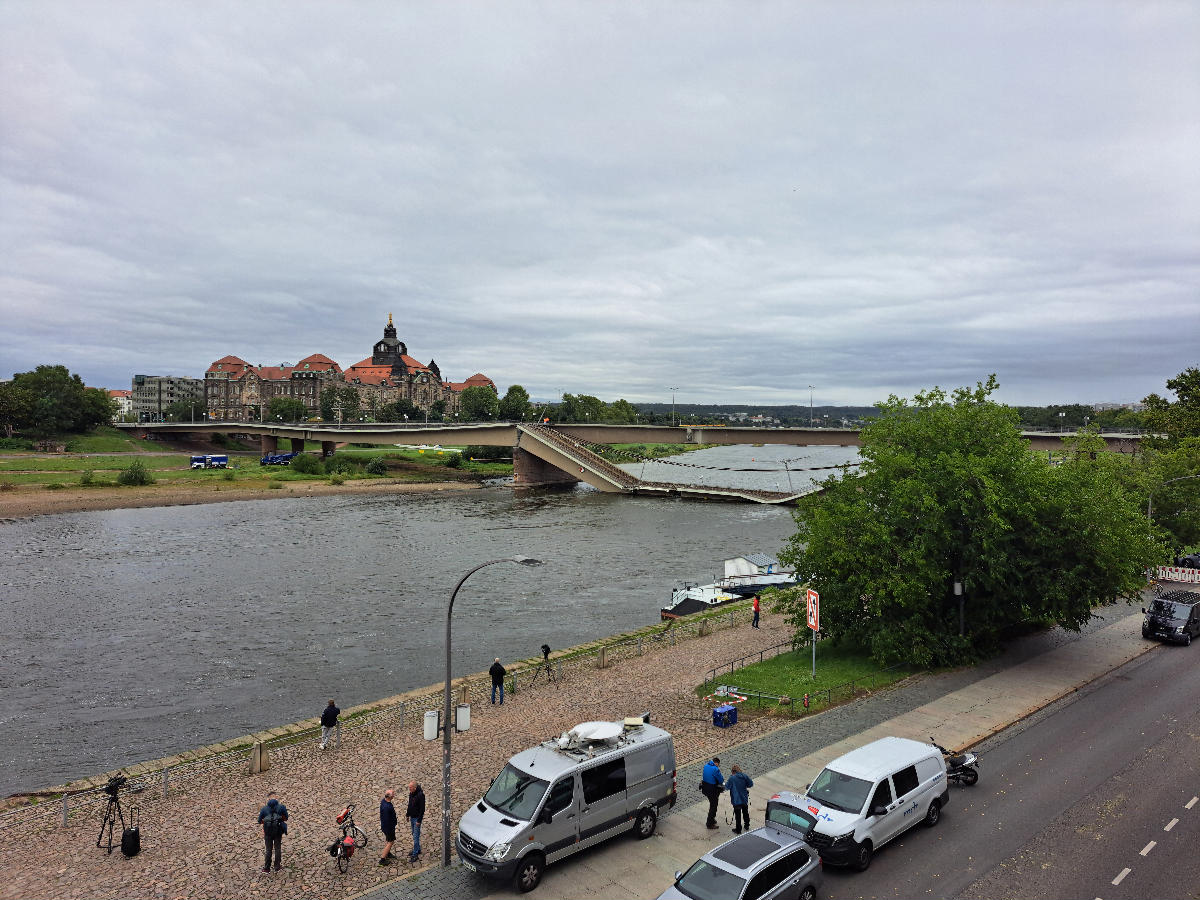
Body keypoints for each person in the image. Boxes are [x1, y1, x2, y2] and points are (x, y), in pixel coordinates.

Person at [257, 792, 288, 873]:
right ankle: (277, 867)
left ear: (268, 799)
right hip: (278, 830)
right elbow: (286, 818)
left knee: (268, 850)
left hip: (268, 832)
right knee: (277, 848)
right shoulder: (281, 807)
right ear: (276, 799)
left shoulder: (264, 809)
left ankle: (267, 868)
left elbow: (259, 821)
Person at [727, 765, 754, 833]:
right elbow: (750, 784)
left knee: (738, 815)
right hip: (744, 798)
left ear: (733, 771)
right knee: (745, 812)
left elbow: (727, 787)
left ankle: (738, 829)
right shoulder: (744, 776)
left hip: (736, 800)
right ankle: (747, 825)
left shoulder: (732, 778)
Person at [701, 757, 724, 829]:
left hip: (705, 788)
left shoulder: (706, 766)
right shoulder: (715, 769)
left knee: (712, 804)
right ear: (716, 763)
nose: (718, 766)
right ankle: (709, 823)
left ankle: (712, 819)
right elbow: (721, 779)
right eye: (718, 765)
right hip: (712, 790)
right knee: (713, 806)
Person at [406, 780, 426, 861]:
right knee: (414, 833)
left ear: (414, 788)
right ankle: (417, 849)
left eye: (410, 788)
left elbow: (422, 809)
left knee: (415, 836)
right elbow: (410, 804)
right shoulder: (411, 793)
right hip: (412, 817)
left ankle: (415, 854)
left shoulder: (421, 795)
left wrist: (419, 820)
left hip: (417, 818)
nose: (409, 789)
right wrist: (407, 814)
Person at [378, 789, 397, 865]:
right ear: (389, 796)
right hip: (388, 828)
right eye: (393, 794)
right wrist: (391, 828)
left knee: (388, 840)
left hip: (385, 827)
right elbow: (387, 820)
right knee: (390, 842)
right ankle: (382, 859)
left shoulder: (384, 801)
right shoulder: (387, 807)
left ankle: (388, 853)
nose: (394, 795)